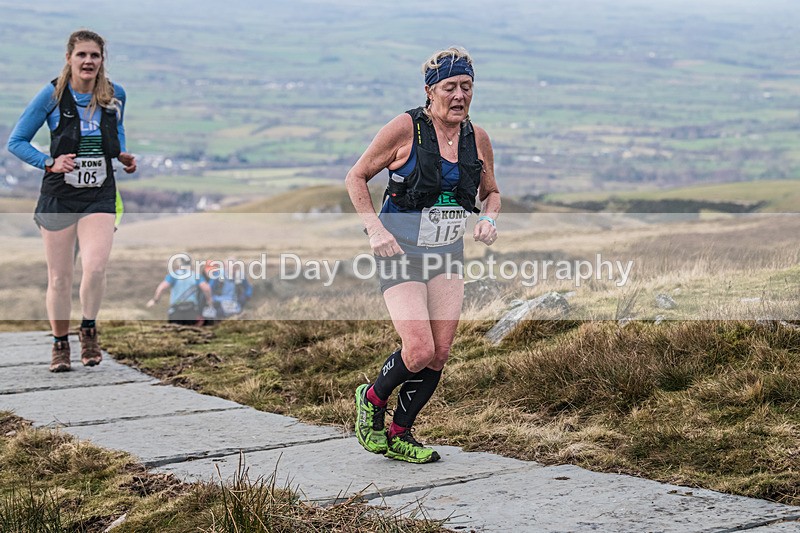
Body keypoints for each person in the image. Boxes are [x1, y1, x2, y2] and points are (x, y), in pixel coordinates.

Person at [345, 47, 500, 463]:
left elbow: (492, 193)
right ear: (430, 91)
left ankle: (400, 434)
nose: (459, 96)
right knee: (418, 349)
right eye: (450, 87)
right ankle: (373, 399)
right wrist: (374, 228)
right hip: (400, 251)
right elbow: (355, 177)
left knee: (441, 352)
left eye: (466, 87)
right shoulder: (405, 128)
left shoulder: (476, 137)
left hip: (446, 253)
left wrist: (489, 219)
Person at [7, 30, 137, 372]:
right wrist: (49, 162)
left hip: (100, 194)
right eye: (82, 55)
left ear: (102, 59)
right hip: (59, 196)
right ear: (69, 58)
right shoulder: (51, 95)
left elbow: (117, 133)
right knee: (60, 278)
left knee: (95, 268)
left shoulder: (114, 95)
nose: (89, 61)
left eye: (95, 55)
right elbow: (17, 141)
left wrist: (122, 156)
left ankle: (89, 329)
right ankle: (60, 343)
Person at [147, 256, 214, 325]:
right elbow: (206, 288)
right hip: (191, 309)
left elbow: (161, 287)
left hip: (176, 309)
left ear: (179, 264)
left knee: (174, 332)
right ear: (190, 264)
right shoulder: (196, 276)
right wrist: (209, 301)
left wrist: (155, 300)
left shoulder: (173, 275)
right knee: (190, 331)